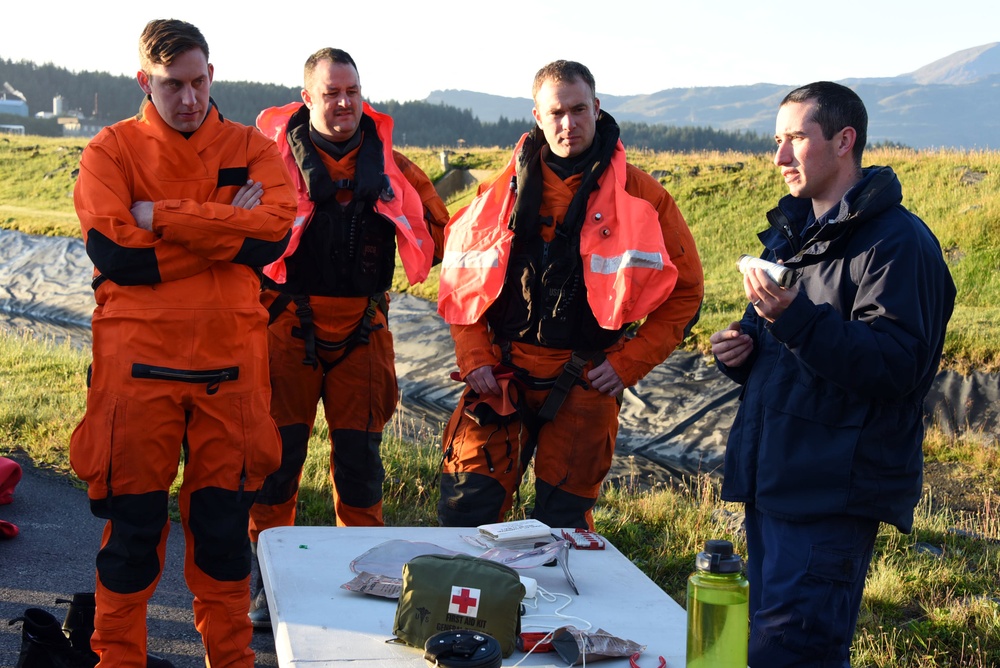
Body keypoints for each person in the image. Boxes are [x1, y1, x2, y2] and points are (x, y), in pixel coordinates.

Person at [71, 18, 296, 667]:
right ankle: (118, 660)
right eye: (174, 86)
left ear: (213, 75)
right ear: (146, 81)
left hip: (231, 374)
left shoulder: (252, 147)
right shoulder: (110, 151)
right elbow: (117, 254)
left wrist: (165, 218)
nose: (190, 98)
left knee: (223, 536)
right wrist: (228, 231)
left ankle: (229, 662)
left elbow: (273, 239)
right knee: (133, 535)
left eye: (199, 82)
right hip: (136, 378)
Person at [710, 81, 955, 667]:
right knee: (769, 648)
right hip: (774, 481)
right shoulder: (792, 235)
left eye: (796, 138)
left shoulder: (898, 244)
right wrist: (741, 347)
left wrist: (796, 321)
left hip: (831, 493)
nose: (779, 158)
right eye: (776, 140)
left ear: (845, 141)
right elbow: (786, 343)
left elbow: (898, 366)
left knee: (793, 654)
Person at [436, 60, 704, 530]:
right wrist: (473, 353)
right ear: (537, 117)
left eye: (579, 109)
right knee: (465, 512)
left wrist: (628, 363)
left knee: (561, 531)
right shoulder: (500, 193)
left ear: (597, 109)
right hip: (501, 374)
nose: (569, 123)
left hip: (584, 380)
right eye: (556, 112)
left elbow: (686, 292)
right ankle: (473, 604)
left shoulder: (642, 196)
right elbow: (465, 278)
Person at [247, 48, 448, 625]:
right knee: (277, 461)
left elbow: (438, 233)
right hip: (286, 327)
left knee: (360, 464)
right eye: (331, 93)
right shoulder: (268, 162)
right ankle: (266, 577)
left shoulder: (394, 168)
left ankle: (368, 574)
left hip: (364, 330)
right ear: (306, 98)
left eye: (352, 92)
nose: (343, 103)